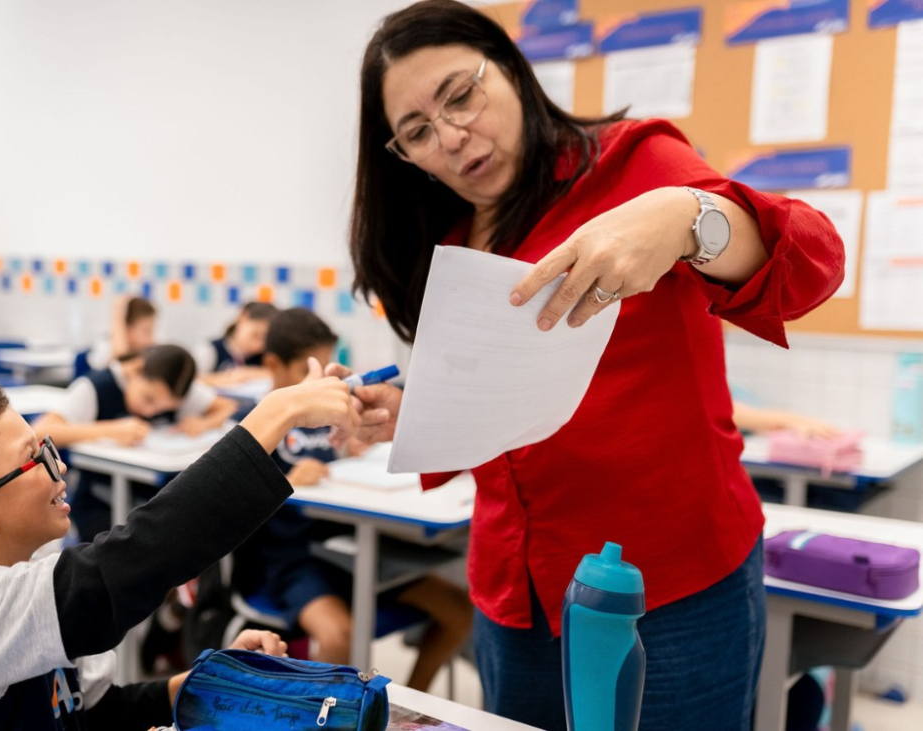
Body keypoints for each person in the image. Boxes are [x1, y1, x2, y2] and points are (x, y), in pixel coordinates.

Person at [341, 2, 845, 728]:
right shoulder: (453, 237)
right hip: (516, 594)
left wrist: (685, 218)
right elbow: (507, 392)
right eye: (418, 132)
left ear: (510, 69)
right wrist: (416, 408)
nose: (452, 138)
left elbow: (815, 265)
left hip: (669, 586)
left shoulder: (636, 166)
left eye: (461, 95)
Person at [0, 371, 357, 730]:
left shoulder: (27, 581)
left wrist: (210, 678)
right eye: (32, 460)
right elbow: (135, 558)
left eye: (45, 447)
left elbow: (98, 714)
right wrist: (278, 413)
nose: (56, 467)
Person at [234, 308, 472, 691]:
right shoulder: (256, 424)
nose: (321, 383)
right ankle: (328, 717)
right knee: (337, 635)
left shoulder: (322, 416)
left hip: (352, 552)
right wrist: (285, 481)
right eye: (306, 371)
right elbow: (231, 508)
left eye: (328, 369)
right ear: (274, 364)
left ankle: (399, 709)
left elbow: (332, 463)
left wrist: (352, 449)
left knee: (459, 609)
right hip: (289, 560)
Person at [33, 344, 237, 541]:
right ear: (135, 370)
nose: (151, 411)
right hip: (100, 498)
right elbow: (41, 431)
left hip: (155, 496)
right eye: (148, 399)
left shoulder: (175, 387)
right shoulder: (95, 387)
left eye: (162, 408)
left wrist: (203, 423)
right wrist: (111, 430)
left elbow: (226, 406)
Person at [194, 301, 278, 387]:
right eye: (255, 335)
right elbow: (192, 380)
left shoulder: (266, 355)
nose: (259, 345)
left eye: (266, 340)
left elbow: (279, 373)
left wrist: (247, 374)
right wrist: (226, 378)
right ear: (242, 317)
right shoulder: (210, 350)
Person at [83, 296, 158, 373]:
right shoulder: (98, 355)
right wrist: (118, 315)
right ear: (125, 329)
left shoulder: (139, 357)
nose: (152, 340)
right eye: (147, 331)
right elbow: (120, 353)